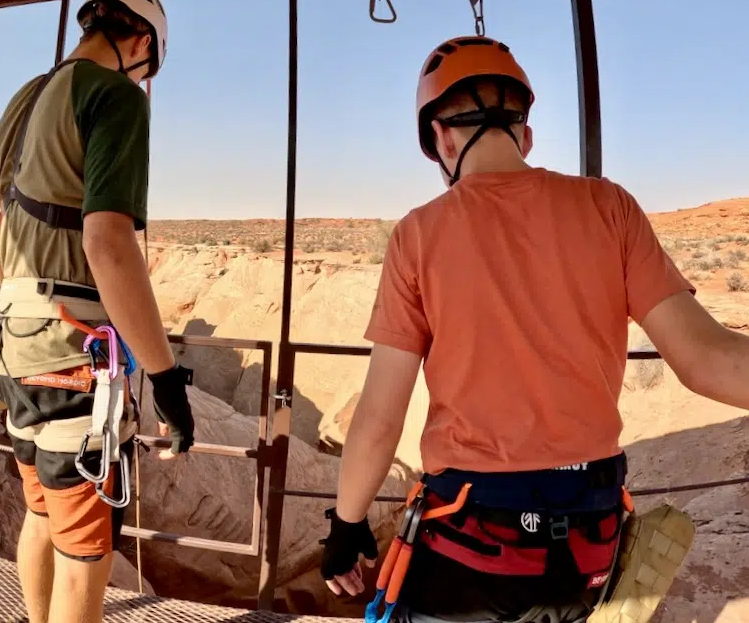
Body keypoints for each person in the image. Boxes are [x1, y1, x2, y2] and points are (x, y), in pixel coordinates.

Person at [319, 35, 749, 623]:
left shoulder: (418, 235)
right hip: (587, 545)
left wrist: (346, 525)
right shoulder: (611, 208)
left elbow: (379, 418)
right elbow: (708, 361)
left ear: (440, 138)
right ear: (525, 133)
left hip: (470, 547)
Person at [0, 0, 196, 623]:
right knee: (85, 552)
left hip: (10, 346)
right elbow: (108, 243)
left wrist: (30, 289)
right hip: (73, 359)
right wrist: (166, 377)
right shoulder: (116, 96)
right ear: (141, 43)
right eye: (148, 67)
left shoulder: (21, 102)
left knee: (40, 515)